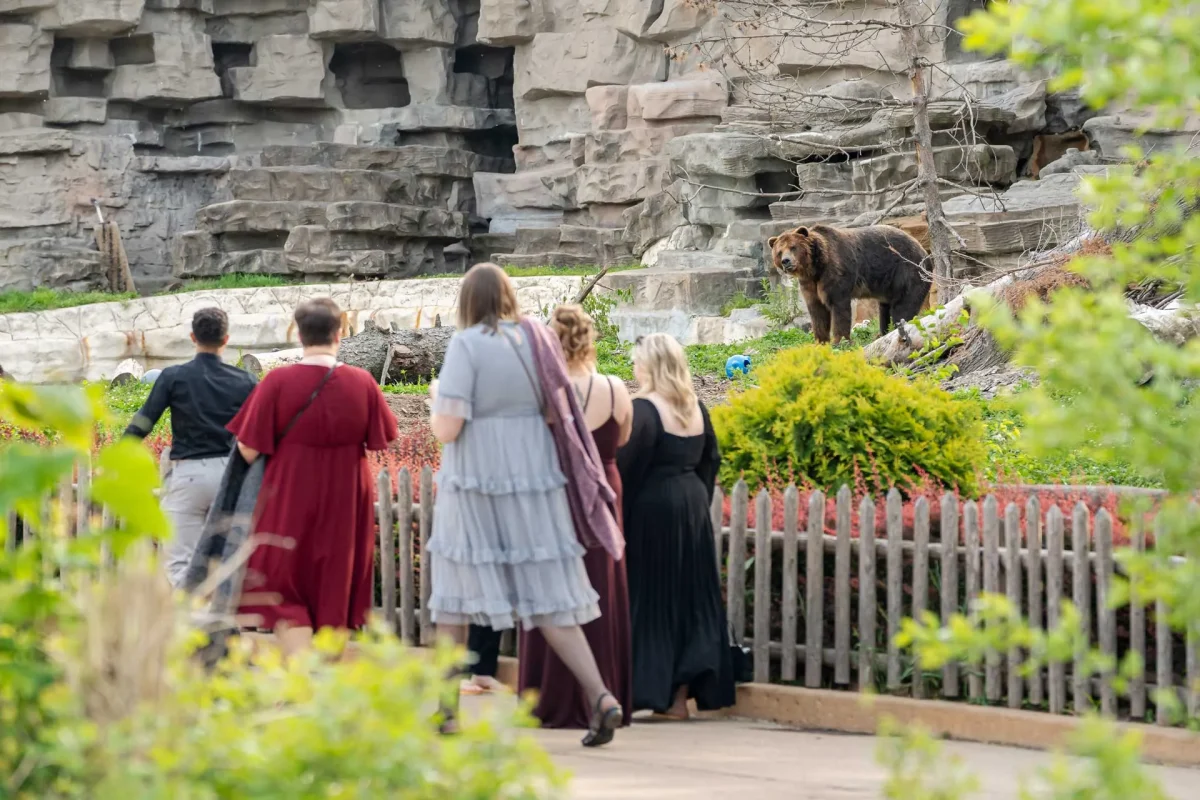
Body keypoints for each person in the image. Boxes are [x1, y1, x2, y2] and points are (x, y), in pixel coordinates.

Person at [427, 263, 623, 747]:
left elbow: (447, 428)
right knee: (550, 598)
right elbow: (554, 408)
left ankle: (446, 711)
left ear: (468, 302)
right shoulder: (536, 340)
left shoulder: (467, 343)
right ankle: (601, 697)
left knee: (454, 600)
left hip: (475, 483)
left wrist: (436, 401)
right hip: (534, 480)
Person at [227, 298, 398, 656]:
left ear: (299, 334)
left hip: (289, 493)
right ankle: (325, 674)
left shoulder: (277, 381)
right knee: (336, 582)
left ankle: (301, 672)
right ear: (340, 333)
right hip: (345, 498)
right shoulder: (362, 382)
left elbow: (247, 449)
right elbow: (383, 438)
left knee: (284, 582)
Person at [519, 304, 634, 729]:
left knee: (553, 587)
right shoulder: (615, 388)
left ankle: (551, 698)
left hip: (556, 491)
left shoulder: (542, 392)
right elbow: (623, 437)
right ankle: (603, 693)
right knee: (601, 586)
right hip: (604, 491)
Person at [617, 332, 735, 719]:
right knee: (689, 598)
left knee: (652, 598)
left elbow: (627, 467)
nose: (634, 366)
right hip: (693, 507)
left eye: (638, 360)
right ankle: (679, 698)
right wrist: (697, 498)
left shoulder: (644, 409)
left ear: (651, 365)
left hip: (654, 512)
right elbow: (711, 460)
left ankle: (652, 690)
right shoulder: (696, 407)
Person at [125, 307, 256, 588]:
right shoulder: (245, 381)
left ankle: (190, 613)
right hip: (231, 474)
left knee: (180, 562)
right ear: (226, 339)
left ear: (193, 337)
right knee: (229, 561)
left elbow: (143, 422)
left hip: (190, 474)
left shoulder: (173, 377)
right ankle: (222, 613)